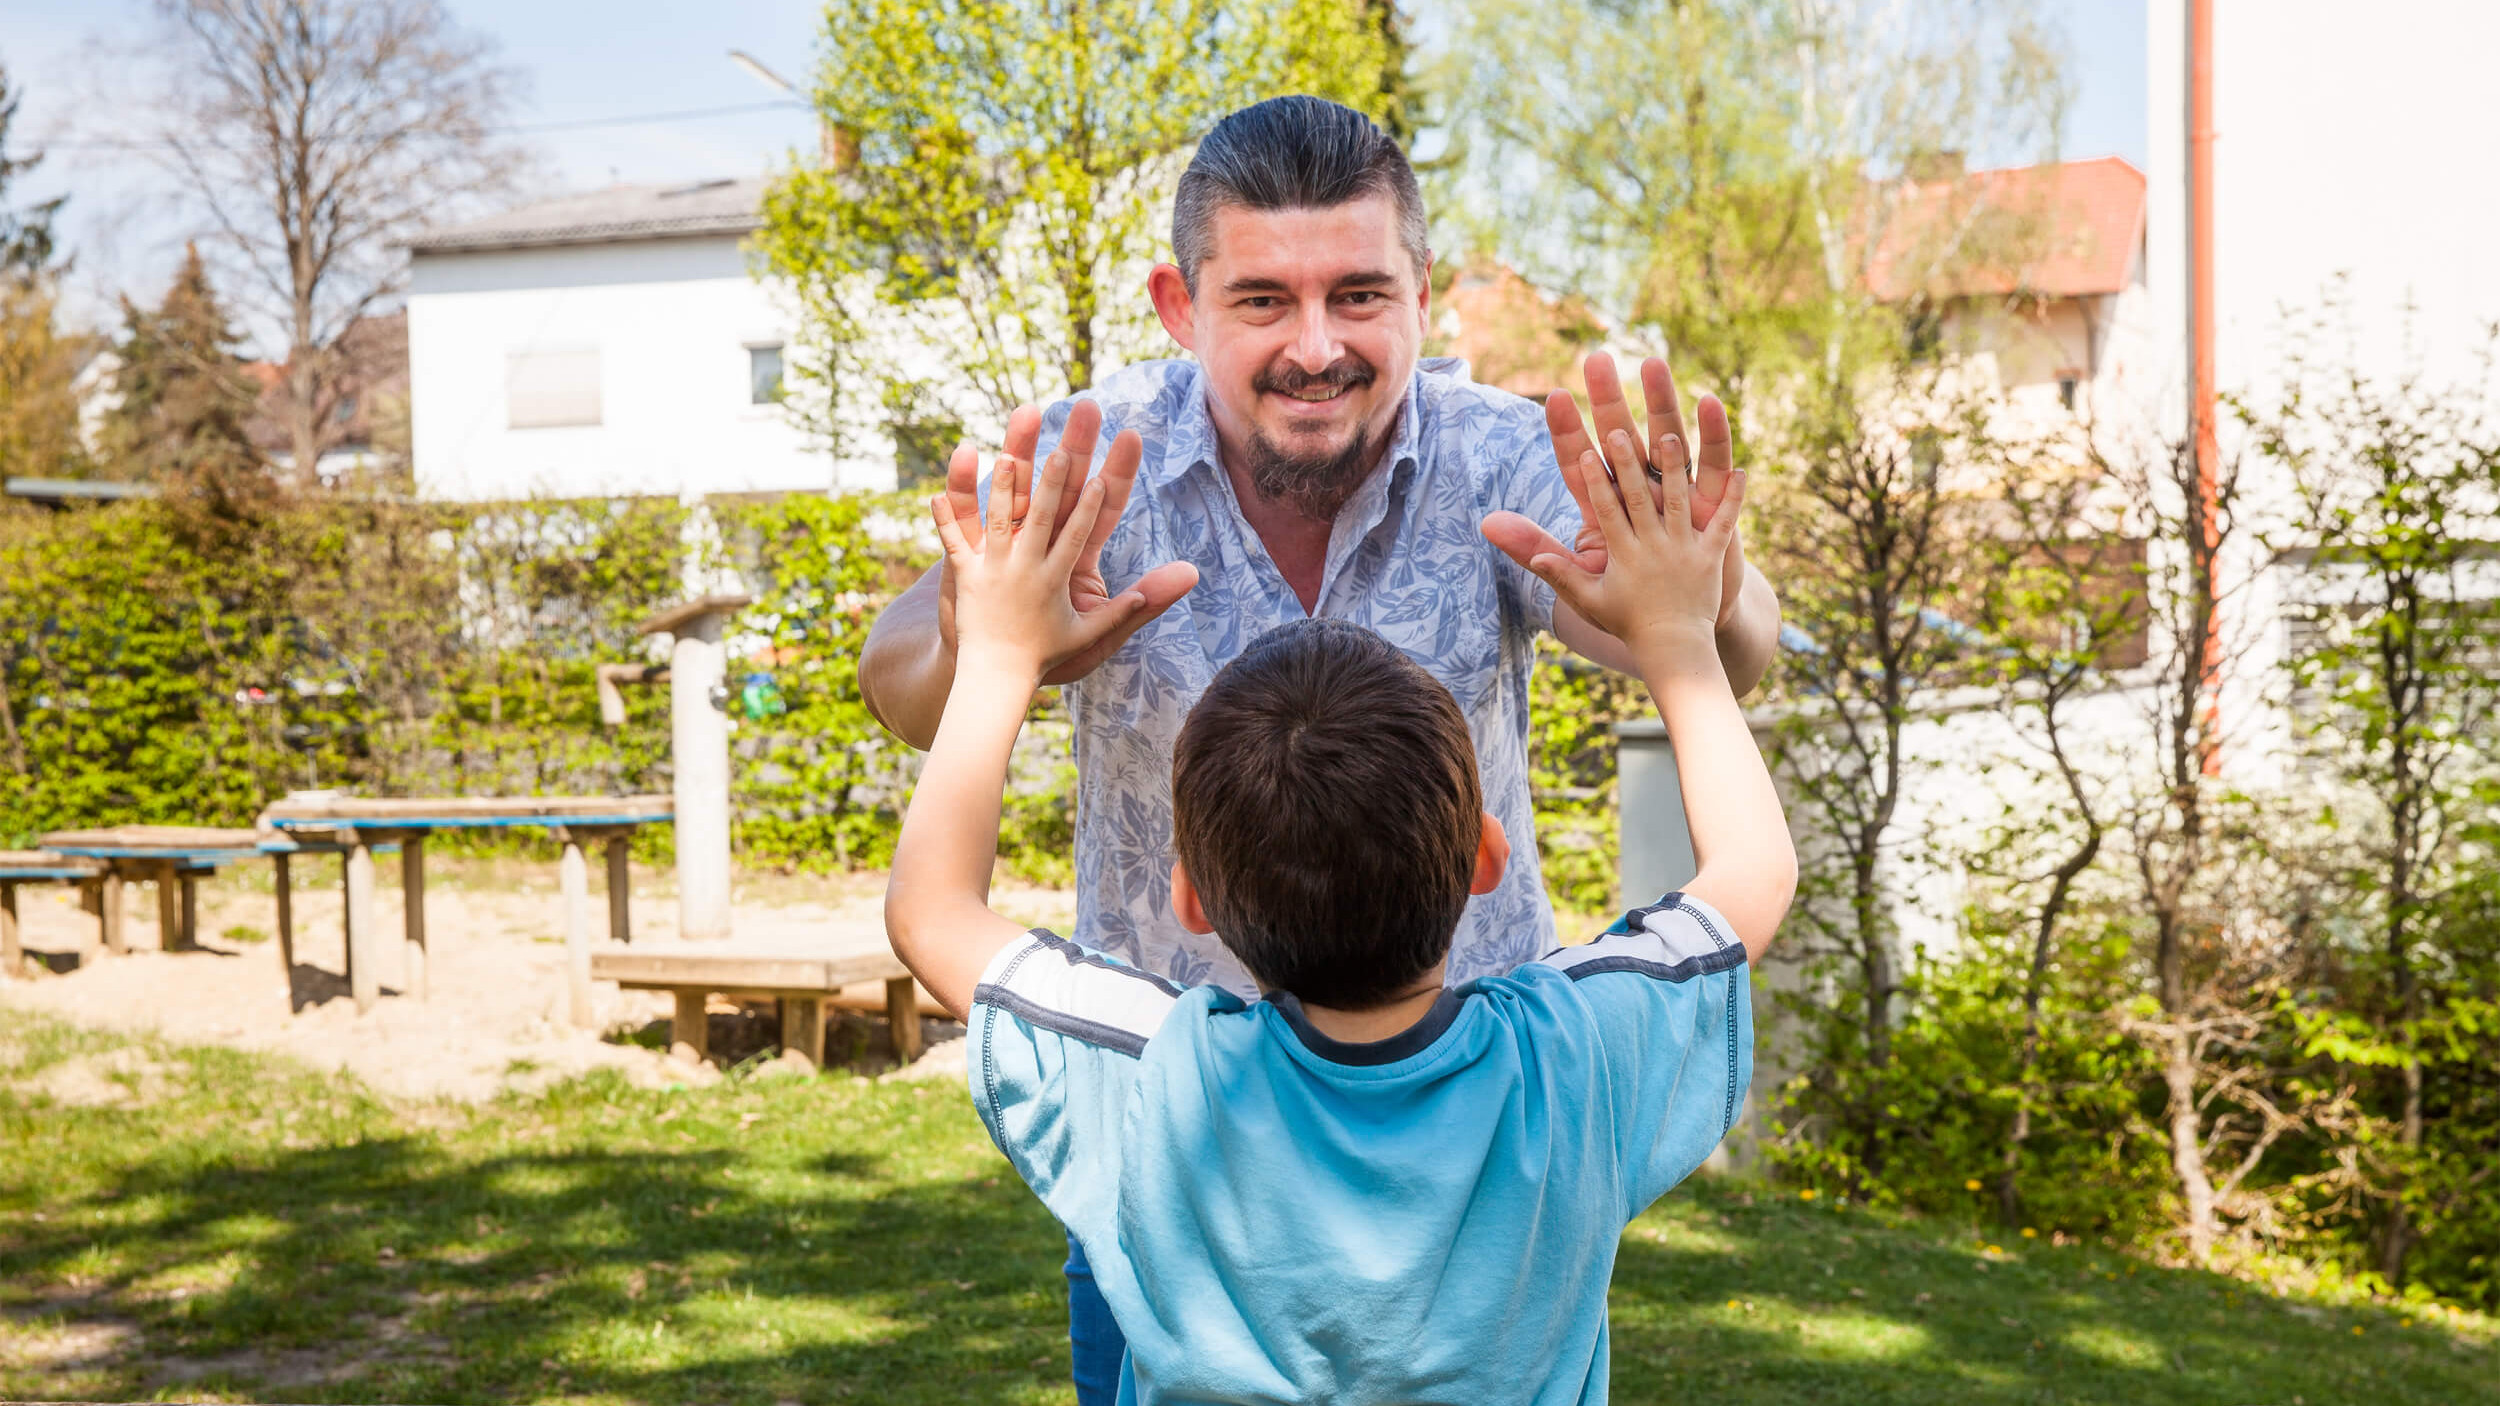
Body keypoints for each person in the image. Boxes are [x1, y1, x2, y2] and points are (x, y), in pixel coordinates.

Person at [856, 95, 1783, 1397]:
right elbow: (895, 678)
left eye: (1358, 295)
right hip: (1196, 1155)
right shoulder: (1084, 462)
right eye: (1262, 303)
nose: (1315, 346)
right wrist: (982, 636)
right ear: (1180, 306)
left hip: (1438, 1138)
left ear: (1422, 294)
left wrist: (1708, 587)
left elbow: (1731, 641)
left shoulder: (1510, 453)